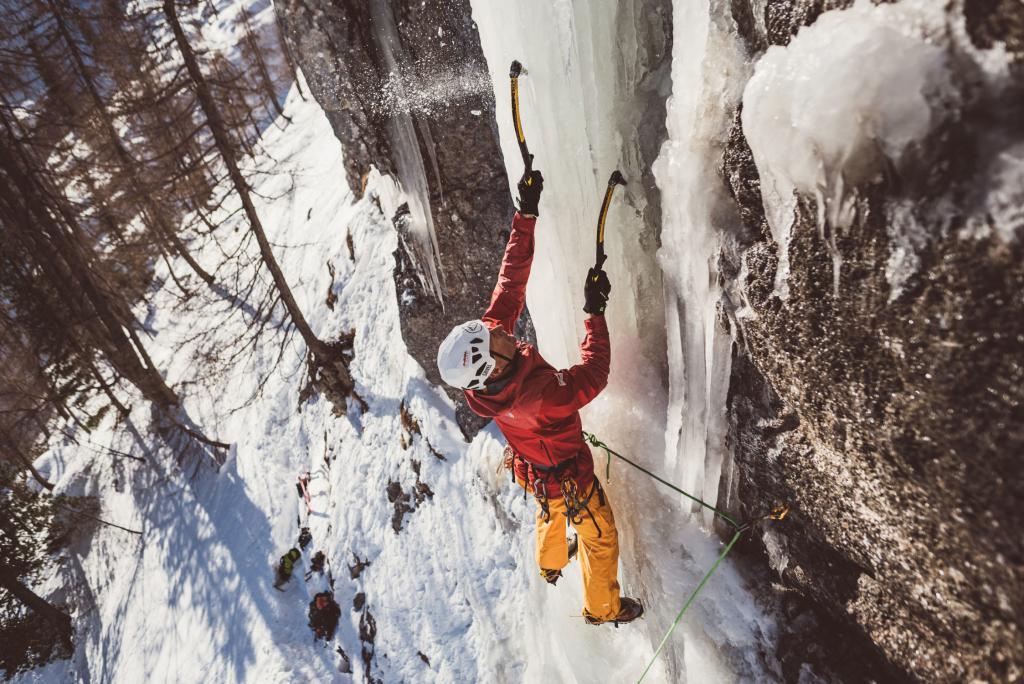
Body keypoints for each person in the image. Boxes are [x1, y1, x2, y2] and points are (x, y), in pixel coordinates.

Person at [436, 168, 643, 626]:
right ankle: (603, 607)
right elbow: (594, 374)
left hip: (535, 467)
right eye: (494, 338)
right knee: (600, 538)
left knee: (548, 510)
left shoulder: (490, 377)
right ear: (491, 365)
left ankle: (550, 563)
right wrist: (594, 313)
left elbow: (510, 285)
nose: (499, 329)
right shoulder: (539, 397)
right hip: (568, 474)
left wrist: (525, 215)